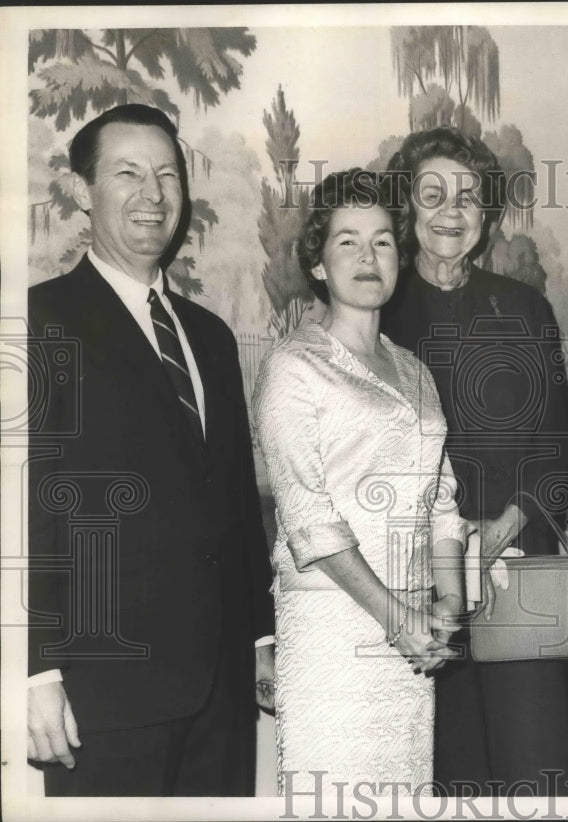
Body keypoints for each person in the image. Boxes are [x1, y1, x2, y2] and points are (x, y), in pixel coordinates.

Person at [26, 104, 275, 796]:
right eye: (128, 173)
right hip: (101, 690)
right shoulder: (38, 322)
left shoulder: (212, 336)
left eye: (167, 174)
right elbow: (23, 512)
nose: (154, 194)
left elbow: (232, 498)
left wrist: (260, 637)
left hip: (220, 694)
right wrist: (34, 669)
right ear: (83, 192)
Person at [380, 126, 568, 796]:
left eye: (468, 197)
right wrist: (442, 558)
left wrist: (493, 537)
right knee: (445, 774)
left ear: (487, 213)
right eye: (432, 194)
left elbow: (556, 451)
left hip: (514, 573)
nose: (451, 211)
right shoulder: (374, 310)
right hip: (409, 586)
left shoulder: (524, 308)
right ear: (405, 207)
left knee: (539, 773)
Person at [252, 169, 465, 796]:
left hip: (414, 637)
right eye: (347, 241)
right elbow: (308, 521)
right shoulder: (294, 367)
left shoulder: (414, 370)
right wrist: (397, 621)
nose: (368, 257)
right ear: (318, 264)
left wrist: (448, 605)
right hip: (334, 632)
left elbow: (441, 502)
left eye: (382, 241)